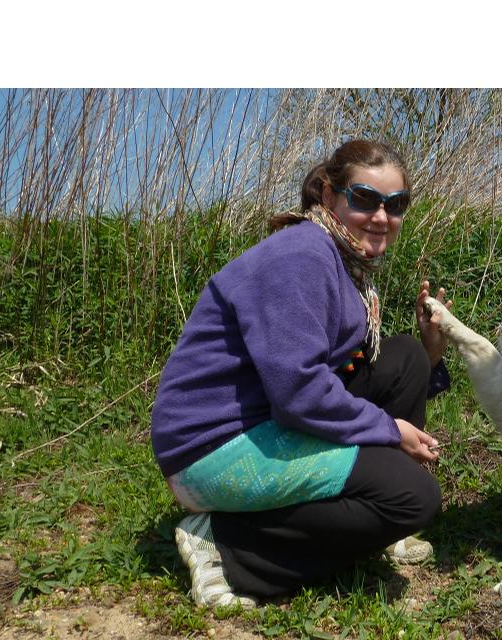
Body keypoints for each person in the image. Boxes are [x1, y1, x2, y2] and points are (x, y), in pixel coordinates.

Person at [150, 139, 453, 608]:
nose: (381, 216)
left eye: (396, 205)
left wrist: (431, 358)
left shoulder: (339, 257)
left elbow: (334, 370)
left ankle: (371, 523)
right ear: (329, 195)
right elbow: (298, 391)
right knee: (414, 500)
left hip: (265, 414)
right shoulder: (302, 255)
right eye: (365, 199)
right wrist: (388, 430)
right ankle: (227, 544)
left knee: (406, 357)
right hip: (211, 446)